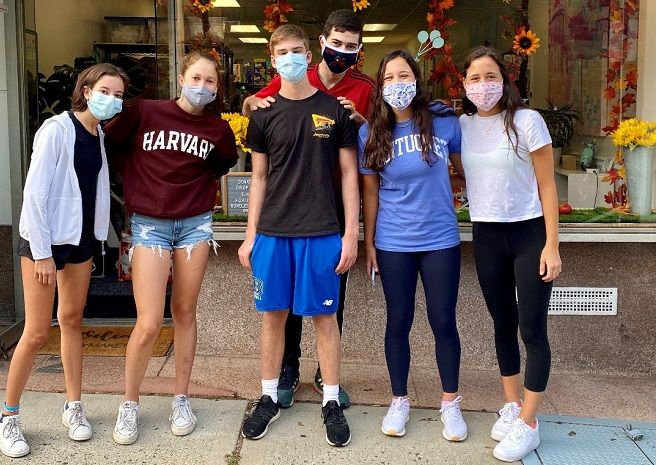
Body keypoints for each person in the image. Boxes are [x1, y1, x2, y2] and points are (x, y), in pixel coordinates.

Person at [103, 50, 238, 445]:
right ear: (181, 79)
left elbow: (222, 164)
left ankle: (181, 398)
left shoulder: (218, 130)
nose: (202, 87)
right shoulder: (144, 112)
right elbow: (109, 146)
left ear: (217, 88)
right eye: (195, 78)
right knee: (147, 322)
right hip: (150, 227)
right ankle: (129, 404)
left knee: (184, 311)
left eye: (210, 81)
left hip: (196, 225)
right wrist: (137, 184)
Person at [242, 9, 374, 409]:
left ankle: (327, 383)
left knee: (326, 309)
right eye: (284, 53)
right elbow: (259, 170)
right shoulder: (278, 97)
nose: (342, 52)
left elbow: (360, 159)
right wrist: (250, 235)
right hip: (278, 220)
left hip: (327, 214)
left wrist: (352, 232)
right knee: (278, 311)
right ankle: (285, 372)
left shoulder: (351, 97)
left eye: (351, 47)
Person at [1, 64, 128, 458]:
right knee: (37, 331)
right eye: (106, 90)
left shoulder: (99, 134)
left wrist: (100, 241)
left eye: (120, 94)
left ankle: (74, 407)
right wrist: (41, 253)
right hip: (45, 242)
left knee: (73, 321)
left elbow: (94, 192)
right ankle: (9, 416)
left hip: (79, 242)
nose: (113, 99)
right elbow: (35, 194)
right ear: (86, 90)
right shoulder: (57, 129)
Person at [459, 46, 562, 462]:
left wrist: (552, 245)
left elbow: (548, 186)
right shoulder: (462, 125)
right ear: (464, 85)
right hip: (486, 235)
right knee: (502, 323)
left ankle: (531, 422)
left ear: (504, 80)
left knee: (531, 329)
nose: (483, 86)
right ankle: (511, 405)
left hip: (528, 234)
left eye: (490, 76)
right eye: (475, 78)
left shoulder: (527, 121)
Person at [359, 49, 468, 442]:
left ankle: (450, 403)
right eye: (388, 79)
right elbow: (369, 193)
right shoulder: (369, 132)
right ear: (380, 86)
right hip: (393, 242)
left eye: (403, 76)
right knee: (398, 321)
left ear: (417, 80)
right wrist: (369, 243)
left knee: (443, 321)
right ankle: (399, 399)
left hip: (440, 239)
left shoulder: (444, 123)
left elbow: (465, 172)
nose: (397, 85)